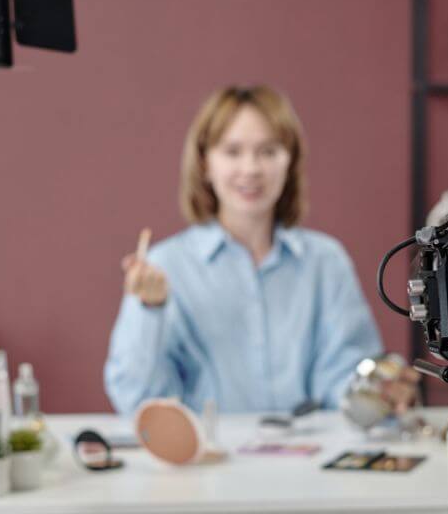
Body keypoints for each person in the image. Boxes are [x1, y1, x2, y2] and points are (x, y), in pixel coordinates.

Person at [104, 85, 388, 415]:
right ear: (205, 163)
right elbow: (135, 400)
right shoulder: (165, 266)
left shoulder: (327, 261)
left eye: (268, 151)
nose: (251, 168)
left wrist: (377, 393)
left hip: (311, 446)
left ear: (289, 160)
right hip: (209, 447)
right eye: (232, 151)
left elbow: (346, 381)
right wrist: (150, 310)